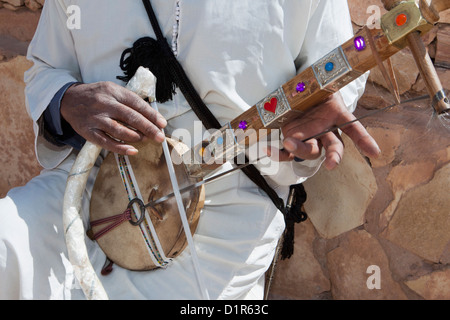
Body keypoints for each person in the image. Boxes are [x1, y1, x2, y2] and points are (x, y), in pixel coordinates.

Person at [0, 0, 379, 300]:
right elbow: (45, 69)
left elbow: (334, 75)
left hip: (225, 212)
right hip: (94, 184)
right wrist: (68, 99)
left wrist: (310, 122)